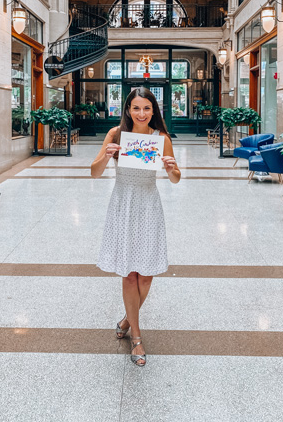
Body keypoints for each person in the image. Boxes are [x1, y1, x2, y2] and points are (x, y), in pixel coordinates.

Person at [91, 87, 180, 367]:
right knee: (130, 274)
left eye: (147, 108)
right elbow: (94, 172)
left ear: (154, 111)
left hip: (148, 207)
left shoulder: (161, 138)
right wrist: (106, 155)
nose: (141, 114)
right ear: (128, 110)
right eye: (136, 108)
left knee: (147, 274)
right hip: (123, 205)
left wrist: (171, 167)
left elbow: (176, 178)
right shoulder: (116, 135)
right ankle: (137, 337)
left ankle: (127, 320)